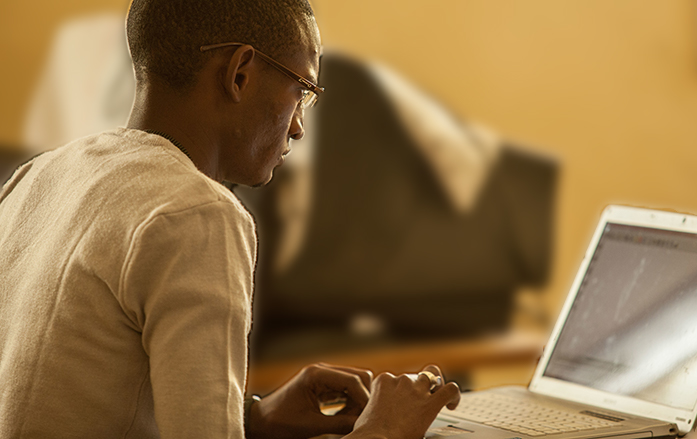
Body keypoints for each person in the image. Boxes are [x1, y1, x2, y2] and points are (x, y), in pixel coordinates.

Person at [0, 0, 460, 438]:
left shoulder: (40, 175)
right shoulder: (198, 213)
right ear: (239, 74)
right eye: (302, 89)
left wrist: (254, 417)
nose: (299, 125)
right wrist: (383, 429)